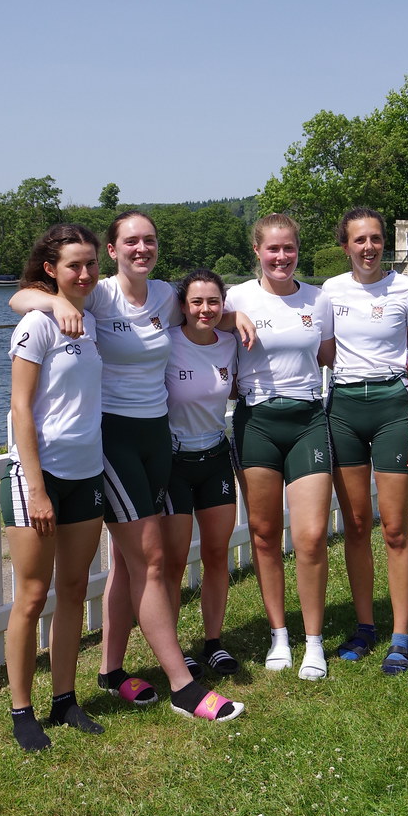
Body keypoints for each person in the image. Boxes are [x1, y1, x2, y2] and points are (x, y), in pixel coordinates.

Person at [11, 211, 245, 723]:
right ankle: (182, 685)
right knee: (151, 558)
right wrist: (54, 300)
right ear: (113, 250)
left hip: (157, 438)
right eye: (131, 241)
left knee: (127, 559)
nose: (142, 248)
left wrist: (235, 318)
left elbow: (203, 313)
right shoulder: (97, 292)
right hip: (113, 440)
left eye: (150, 240)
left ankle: (111, 670)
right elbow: (20, 297)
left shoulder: (163, 296)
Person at [1, 223, 105, 751]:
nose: (84, 274)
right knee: (32, 595)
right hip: (38, 477)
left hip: (87, 473)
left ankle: (65, 699)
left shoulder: (92, 319)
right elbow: (21, 408)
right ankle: (22, 710)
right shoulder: (37, 325)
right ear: (51, 269)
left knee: (73, 589)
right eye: (73, 265)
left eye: (90, 264)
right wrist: (37, 489)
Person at [322, 207, 408, 675]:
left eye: (375, 238)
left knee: (394, 528)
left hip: (391, 409)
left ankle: (401, 638)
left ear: (384, 242)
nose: (368, 247)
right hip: (344, 409)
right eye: (359, 240)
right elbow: (320, 350)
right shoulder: (330, 291)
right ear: (345, 246)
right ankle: (365, 627)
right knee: (354, 525)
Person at [225, 214, 335, 681]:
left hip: (308, 419)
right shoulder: (236, 298)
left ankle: (314, 641)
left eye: (289, 248)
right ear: (257, 250)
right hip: (257, 422)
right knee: (265, 534)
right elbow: (192, 322)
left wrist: (401, 361)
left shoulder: (318, 299)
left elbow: (331, 356)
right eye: (273, 249)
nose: (282, 257)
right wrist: (229, 317)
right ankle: (279, 635)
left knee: (310, 536)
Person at [161, 268, 239, 676]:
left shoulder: (230, 343)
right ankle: (173, 648)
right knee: (174, 562)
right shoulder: (167, 342)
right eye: (197, 302)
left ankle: (213, 643)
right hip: (175, 463)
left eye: (213, 301)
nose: (205, 309)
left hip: (215, 458)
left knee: (216, 554)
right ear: (183, 306)